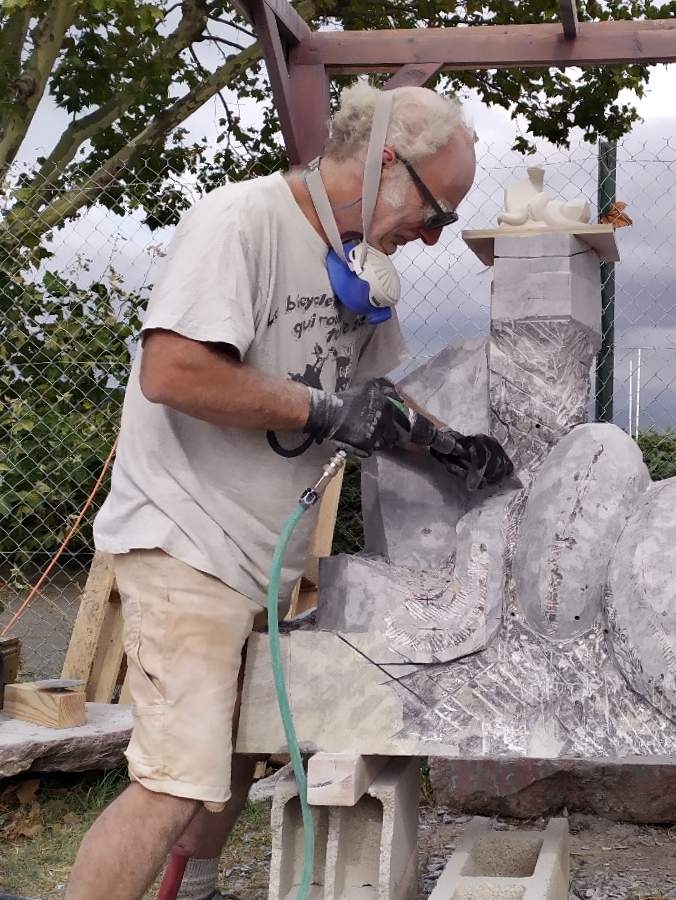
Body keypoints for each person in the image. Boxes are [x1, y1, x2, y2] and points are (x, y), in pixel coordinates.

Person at [66, 82, 511, 900]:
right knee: (174, 780)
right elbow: (172, 370)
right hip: (183, 538)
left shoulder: (358, 271)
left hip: (257, 558)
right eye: (436, 211)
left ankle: (190, 892)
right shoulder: (242, 224)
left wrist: (449, 449)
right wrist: (322, 408)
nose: (433, 234)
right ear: (384, 163)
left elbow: (377, 401)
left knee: (229, 763)